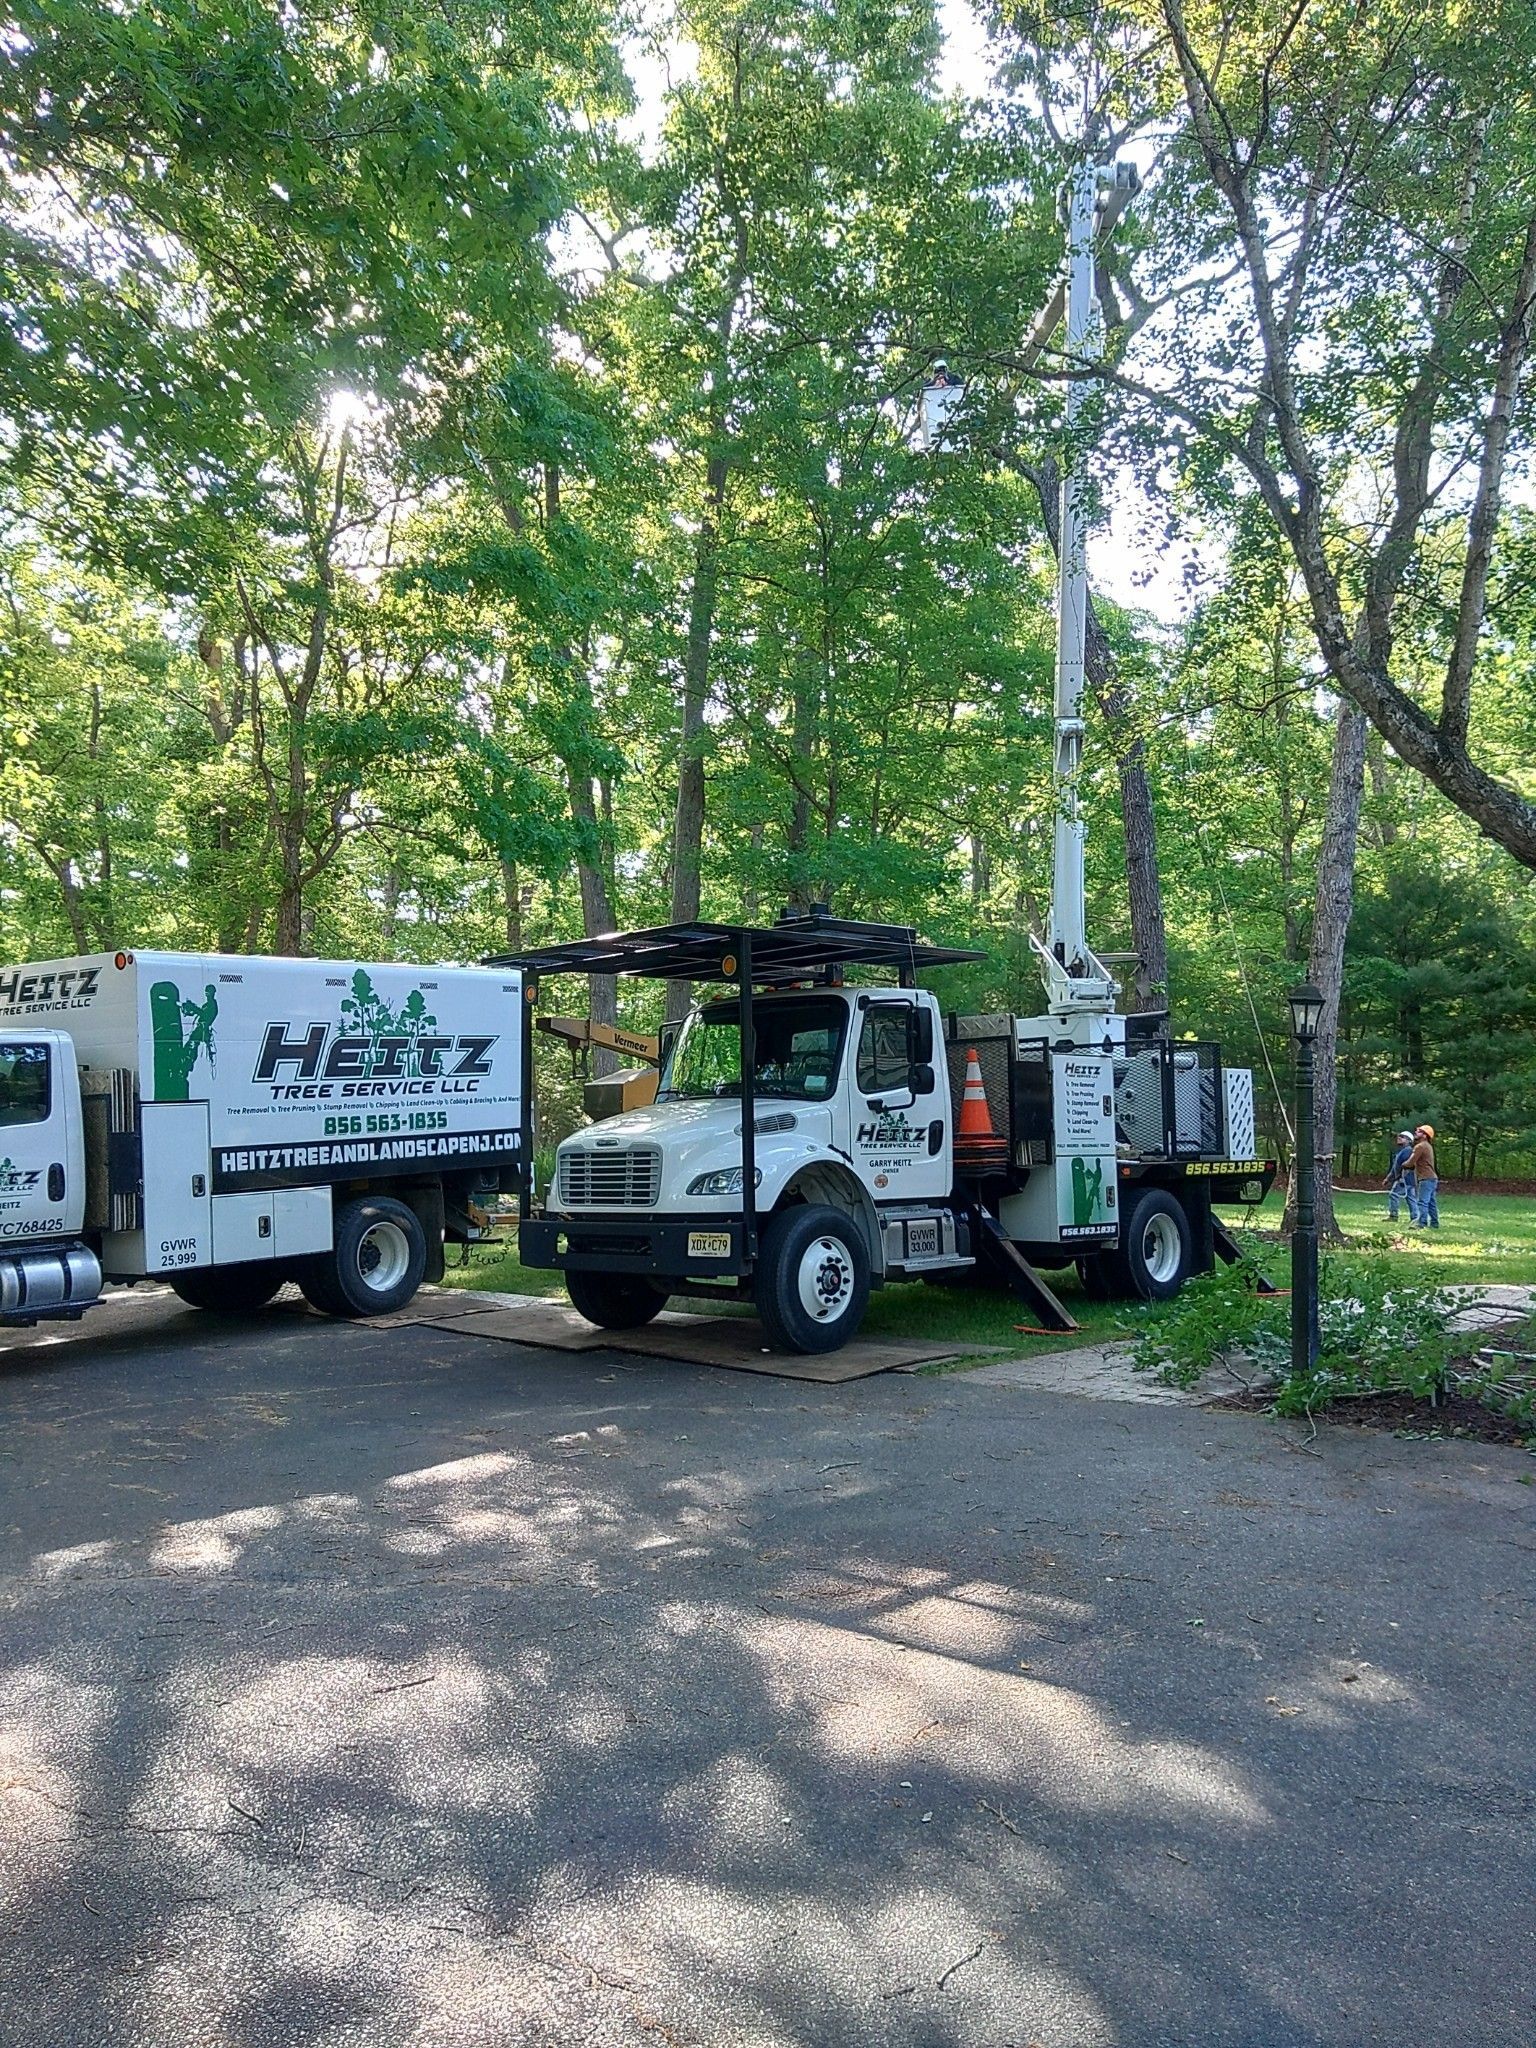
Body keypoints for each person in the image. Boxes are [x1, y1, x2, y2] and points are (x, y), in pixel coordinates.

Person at [1408, 1123, 1439, 1228]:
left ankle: (1422, 1223)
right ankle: (1434, 1223)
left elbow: (1410, 1162)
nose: (1416, 1132)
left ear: (1425, 1135)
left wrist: (1402, 1165)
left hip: (1425, 1178)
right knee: (1431, 1203)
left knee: (1423, 1202)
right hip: (1432, 1178)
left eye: (1419, 1131)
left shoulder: (1420, 1146)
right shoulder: (1428, 1146)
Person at [1385, 1130, 1415, 1223]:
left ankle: (1393, 1216)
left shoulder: (1407, 1151)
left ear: (1409, 1140)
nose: (1399, 1138)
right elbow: (1395, 1167)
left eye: (1402, 1137)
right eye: (1399, 1136)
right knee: (1410, 1198)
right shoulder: (1402, 1151)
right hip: (1408, 1179)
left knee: (1393, 1194)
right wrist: (1388, 1178)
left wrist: (1401, 1178)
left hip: (1405, 1179)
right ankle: (1415, 1217)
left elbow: (1407, 1166)